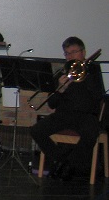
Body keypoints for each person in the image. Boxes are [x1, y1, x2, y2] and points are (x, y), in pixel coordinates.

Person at [30, 36, 103, 180]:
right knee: (36, 130)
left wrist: (85, 76)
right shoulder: (62, 74)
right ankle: (63, 161)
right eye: (67, 53)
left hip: (86, 116)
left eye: (74, 52)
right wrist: (60, 89)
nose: (70, 56)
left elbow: (97, 97)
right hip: (63, 115)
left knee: (91, 133)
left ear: (83, 52)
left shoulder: (94, 72)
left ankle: (71, 165)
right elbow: (52, 104)